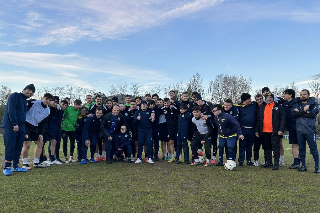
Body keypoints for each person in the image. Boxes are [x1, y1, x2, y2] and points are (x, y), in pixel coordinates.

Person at [1, 84, 35, 176]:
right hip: (10, 126)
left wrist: (23, 128)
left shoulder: (26, 101)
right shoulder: (15, 96)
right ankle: (7, 167)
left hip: (21, 127)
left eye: (32, 92)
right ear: (24, 89)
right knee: (10, 146)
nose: (30, 92)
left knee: (18, 147)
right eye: (29, 90)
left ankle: (15, 166)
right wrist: (14, 123)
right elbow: (10, 110)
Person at [21, 93, 53, 169]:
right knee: (27, 144)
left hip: (35, 127)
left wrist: (41, 133)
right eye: (46, 99)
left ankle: (36, 162)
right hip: (26, 124)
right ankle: (25, 163)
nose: (47, 101)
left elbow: (43, 123)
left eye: (50, 100)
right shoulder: (33, 102)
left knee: (40, 143)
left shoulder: (48, 111)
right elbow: (23, 103)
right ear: (43, 98)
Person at [255, 93, 286, 170]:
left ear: (273, 98)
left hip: (274, 132)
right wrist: (257, 130)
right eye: (267, 97)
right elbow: (259, 120)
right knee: (266, 148)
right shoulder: (263, 107)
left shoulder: (278, 107)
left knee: (275, 148)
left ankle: (276, 164)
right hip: (264, 131)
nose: (269, 99)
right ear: (265, 99)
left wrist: (281, 129)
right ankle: (268, 162)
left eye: (270, 97)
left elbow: (283, 119)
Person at [292, 89, 320, 173]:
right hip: (300, 131)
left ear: (308, 95)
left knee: (313, 149)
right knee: (301, 149)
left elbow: (312, 114)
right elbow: (294, 114)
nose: (302, 96)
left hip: (310, 131)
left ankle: (317, 167)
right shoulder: (297, 104)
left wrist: (300, 112)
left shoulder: (313, 104)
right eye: (301, 94)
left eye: (304, 94)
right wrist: (305, 111)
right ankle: (303, 166)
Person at [46, 96, 68, 165]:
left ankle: (55, 158)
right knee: (52, 142)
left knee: (56, 143)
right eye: (54, 102)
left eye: (56, 102)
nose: (55, 104)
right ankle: (50, 158)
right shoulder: (49, 108)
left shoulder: (60, 110)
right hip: (50, 128)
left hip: (58, 128)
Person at [237, 93, 257, 166]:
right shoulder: (239, 107)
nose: (250, 100)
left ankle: (249, 160)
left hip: (252, 129)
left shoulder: (253, 105)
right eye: (249, 99)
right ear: (244, 100)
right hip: (243, 129)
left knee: (249, 146)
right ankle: (241, 161)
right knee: (242, 145)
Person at [161, 98, 179, 163]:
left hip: (176, 127)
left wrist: (173, 107)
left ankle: (179, 156)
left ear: (169, 102)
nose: (166, 104)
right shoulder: (163, 109)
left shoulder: (174, 108)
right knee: (171, 141)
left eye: (167, 103)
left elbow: (179, 112)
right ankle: (172, 156)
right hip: (169, 127)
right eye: (165, 103)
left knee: (177, 141)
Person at [253, 94, 265, 166]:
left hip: (265, 129)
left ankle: (266, 160)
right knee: (256, 146)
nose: (259, 100)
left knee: (266, 146)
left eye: (260, 99)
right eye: (257, 99)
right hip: (256, 129)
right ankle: (256, 160)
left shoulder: (266, 106)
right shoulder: (254, 106)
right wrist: (256, 131)